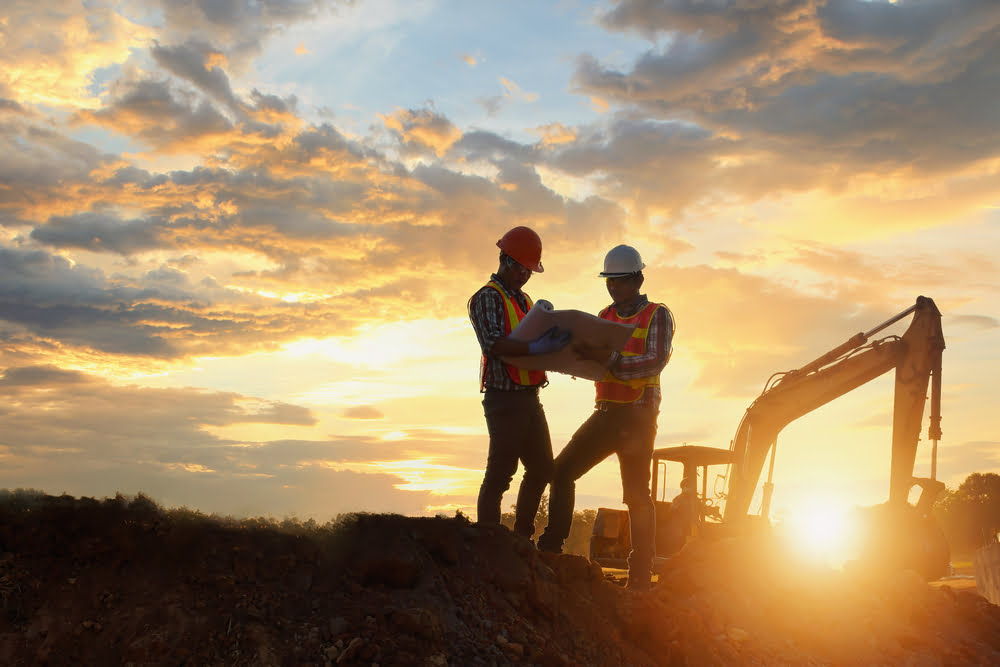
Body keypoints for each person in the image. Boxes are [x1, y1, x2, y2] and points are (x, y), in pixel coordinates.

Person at [537, 244, 675, 590]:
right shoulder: (603, 316)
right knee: (562, 472)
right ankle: (551, 552)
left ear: (638, 279)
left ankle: (640, 574)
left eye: (621, 282)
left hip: (638, 416)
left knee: (636, 495)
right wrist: (575, 358)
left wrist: (610, 360)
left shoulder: (657, 314)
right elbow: (597, 366)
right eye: (610, 282)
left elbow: (654, 360)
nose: (614, 288)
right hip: (606, 411)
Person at [467, 226, 572, 541]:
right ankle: (489, 542)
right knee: (500, 474)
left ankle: (521, 538)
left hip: (529, 398)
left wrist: (556, 348)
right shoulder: (487, 298)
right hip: (504, 399)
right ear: (504, 259)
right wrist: (537, 348)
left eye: (529, 270)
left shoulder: (526, 301)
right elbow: (494, 344)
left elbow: (532, 343)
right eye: (520, 267)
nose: (525, 274)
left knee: (542, 469)